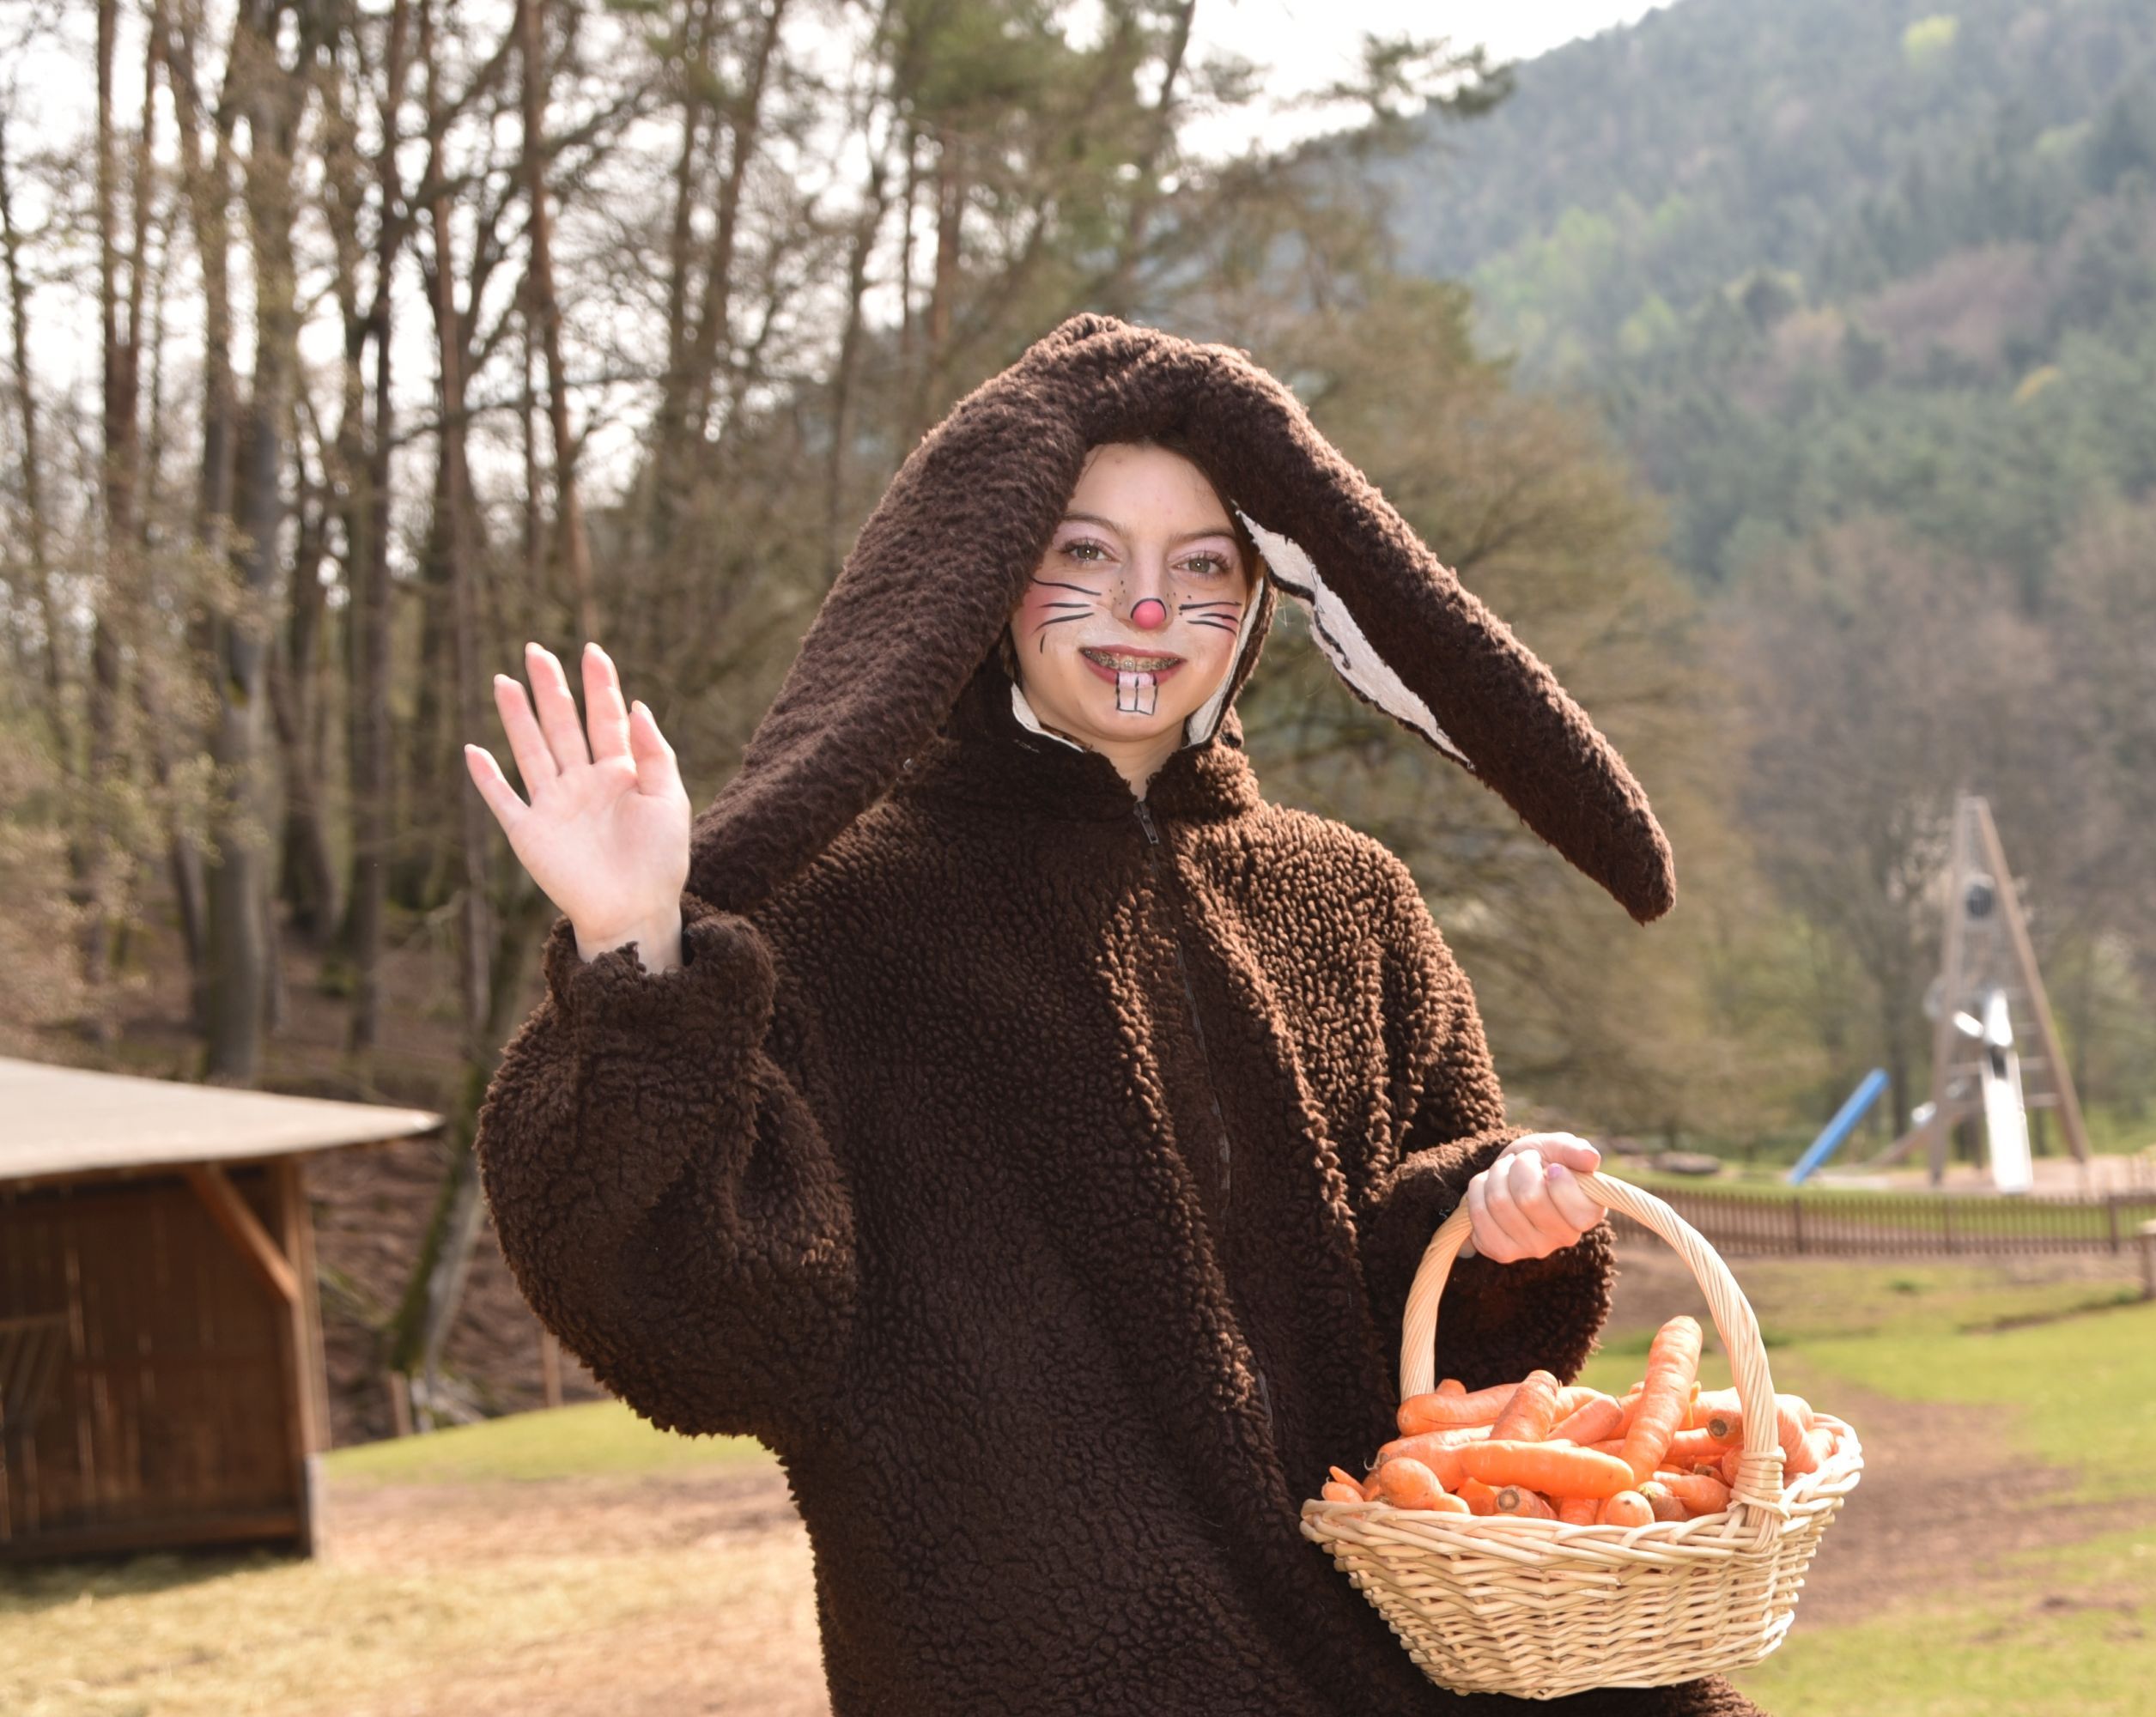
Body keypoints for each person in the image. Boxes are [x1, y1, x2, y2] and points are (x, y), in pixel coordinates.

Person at [465, 313, 1764, 1715]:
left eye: (1199, 566)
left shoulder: (1354, 902)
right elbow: (707, 1327)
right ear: (978, 581)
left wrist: (1493, 1225)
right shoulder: (828, 922)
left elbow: (1444, 1382)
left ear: (1265, 594)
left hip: (1398, 1660)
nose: (1145, 613)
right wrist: (633, 947)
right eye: (1083, 555)